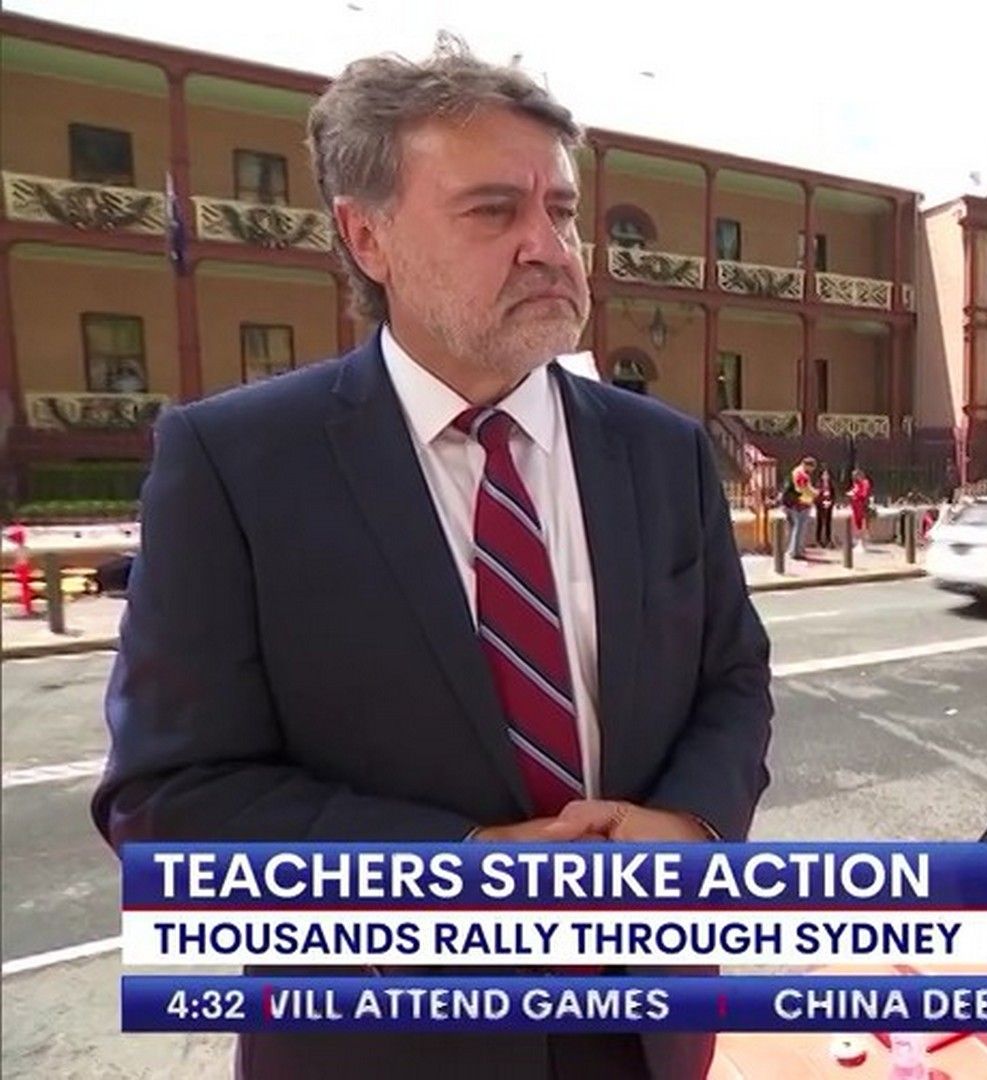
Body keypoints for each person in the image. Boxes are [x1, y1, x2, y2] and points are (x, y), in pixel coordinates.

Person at [91, 39, 774, 1080]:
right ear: (367, 236)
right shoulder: (234, 465)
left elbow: (733, 678)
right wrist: (459, 871)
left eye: (561, 210)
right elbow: (167, 801)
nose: (548, 247)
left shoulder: (663, 451)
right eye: (494, 211)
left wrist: (690, 827)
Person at [781, 455, 817, 564]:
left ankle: (794, 550)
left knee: (795, 528)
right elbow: (803, 489)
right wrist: (815, 493)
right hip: (799, 504)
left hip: (792, 503)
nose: (812, 471)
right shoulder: (801, 474)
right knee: (799, 528)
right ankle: (796, 552)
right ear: (807, 465)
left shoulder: (796, 472)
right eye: (812, 468)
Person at [847, 468, 873, 552]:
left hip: (862, 506)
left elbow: (864, 494)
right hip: (855, 507)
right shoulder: (856, 483)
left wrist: (855, 494)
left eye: (856, 476)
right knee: (856, 524)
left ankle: (862, 542)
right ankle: (858, 542)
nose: (854, 478)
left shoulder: (865, 482)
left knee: (863, 524)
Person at [813, 463, 837, 548]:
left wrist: (831, 502)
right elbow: (816, 495)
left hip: (829, 505)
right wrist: (822, 502)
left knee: (828, 523)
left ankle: (828, 539)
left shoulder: (831, 484)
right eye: (824, 475)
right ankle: (818, 540)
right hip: (820, 505)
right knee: (820, 522)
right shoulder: (818, 484)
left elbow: (834, 495)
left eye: (827, 475)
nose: (826, 476)